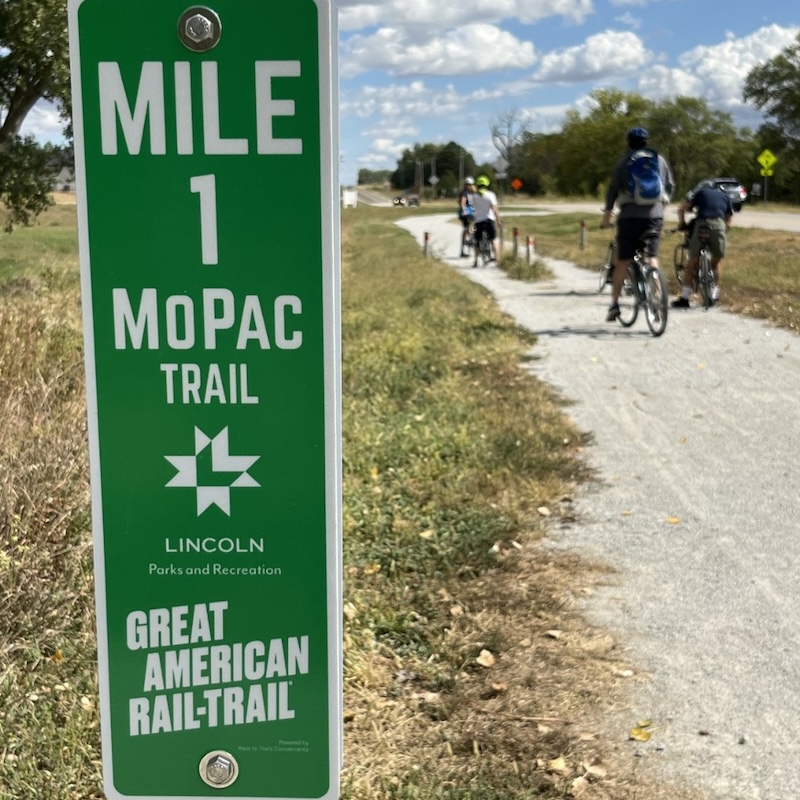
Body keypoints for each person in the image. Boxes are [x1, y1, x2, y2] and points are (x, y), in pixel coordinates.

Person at [600, 127, 675, 322]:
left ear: (629, 143)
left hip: (629, 217)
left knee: (623, 261)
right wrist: (661, 206)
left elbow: (612, 190)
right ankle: (658, 302)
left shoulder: (624, 162)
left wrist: (606, 216)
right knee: (652, 258)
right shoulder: (659, 160)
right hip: (655, 216)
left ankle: (614, 304)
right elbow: (670, 185)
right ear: (647, 142)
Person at [671, 181, 733, 308]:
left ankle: (684, 298)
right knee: (717, 261)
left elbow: (682, 209)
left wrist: (682, 223)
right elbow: (729, 222)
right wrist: (723, 231)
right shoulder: (725, 197)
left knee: (692, 261)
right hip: (719, 226)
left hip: (702, 225)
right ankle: (714, 294)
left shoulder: (700, 193)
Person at [472, 175, 502, 263]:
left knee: (477, 240)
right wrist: (498, 219)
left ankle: (476, 260)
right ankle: (497, 258)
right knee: (493, 239)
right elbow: (494, 208)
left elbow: (473, 208)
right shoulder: (491, 195)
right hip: (489, 219)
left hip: (478, 221)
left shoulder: (474, 196)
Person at [458, 177, 477, 257]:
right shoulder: (465, 193)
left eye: (470, 185)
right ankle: (463, 249)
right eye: (467, 185)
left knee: (474, 228)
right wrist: (465, 212)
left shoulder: (473, 193)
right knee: (467, 227)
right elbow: (462, 203)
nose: (468, 186)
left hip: (472, 212)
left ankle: (471, 239)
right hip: (465, 213)